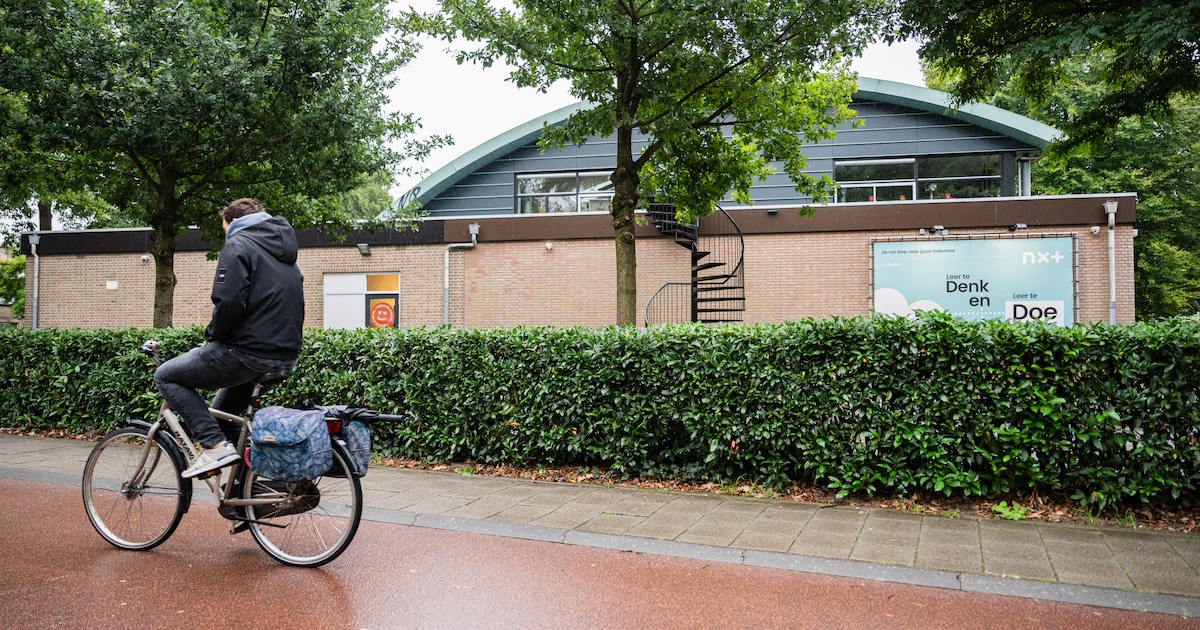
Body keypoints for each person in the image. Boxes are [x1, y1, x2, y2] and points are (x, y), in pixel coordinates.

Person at [154, 198, 305, 479]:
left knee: (166, 375)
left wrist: (214, 334)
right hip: (284, 356)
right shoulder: (285, 255)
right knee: (225, 416)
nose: (225, 232)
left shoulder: (238, 244)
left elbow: (229, 302)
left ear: (233, 222)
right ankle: (241, 495)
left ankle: (213, 445)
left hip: (245, 352)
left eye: (223, 227)